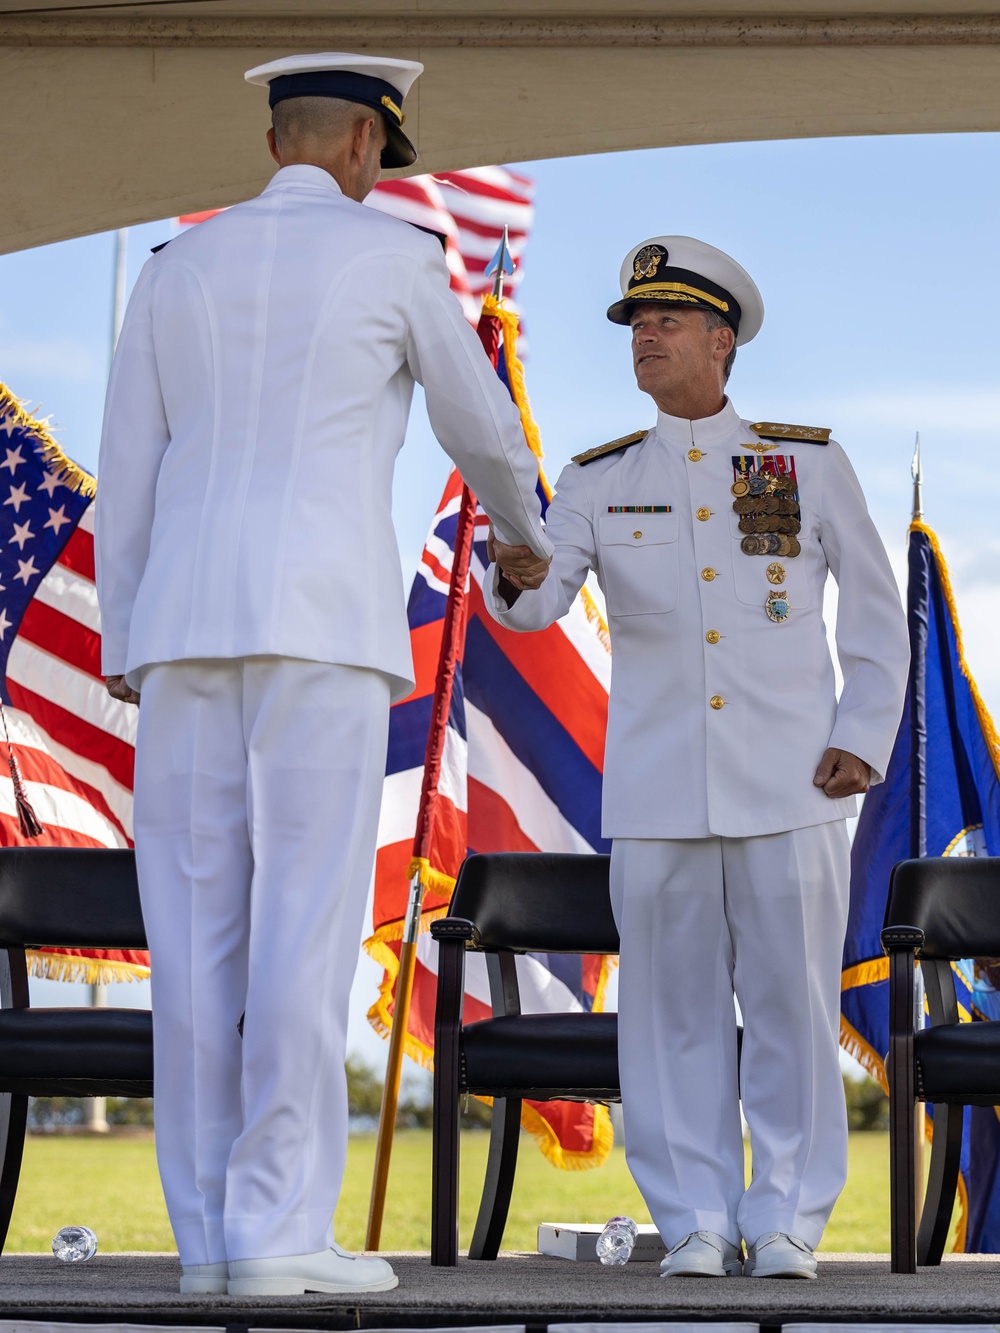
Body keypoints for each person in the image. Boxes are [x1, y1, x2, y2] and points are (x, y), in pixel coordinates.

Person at [95, 51, 551, 1298]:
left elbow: (125, 468)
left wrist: (126, 634)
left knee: (193, 940)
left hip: (183, 630)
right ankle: (278, 1232)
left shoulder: (174, 270)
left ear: (276, 141)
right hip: (322, 629)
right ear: (362, 144)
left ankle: (205, 1241)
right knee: (301, 927)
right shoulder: (397, 259)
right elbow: (482, 429)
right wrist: (527, 533)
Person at [487, 236, 909, 1280]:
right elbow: (539, 604)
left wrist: (861, 737)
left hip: (791, 785)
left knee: (789, 1014)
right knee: (668, 1021)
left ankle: (785, 1222)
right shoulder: (597, 477)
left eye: (667, 321)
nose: (645, 339)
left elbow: (872, 605)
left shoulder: (802, 462)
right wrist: (509, 552)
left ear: (722, 341)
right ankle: (693, 1223)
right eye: (635, 325)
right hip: (658, 790)